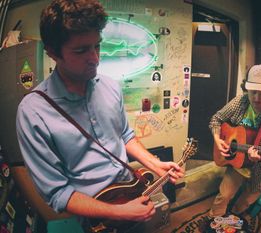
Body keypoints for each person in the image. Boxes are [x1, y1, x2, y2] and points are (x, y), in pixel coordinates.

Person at [15, 0, 184, 230]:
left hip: (133, 195)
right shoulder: (33, 112)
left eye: (97, 46)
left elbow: (125, 135)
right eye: (81, 50)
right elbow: (58, 193)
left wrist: (155, 164)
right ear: (53, 53)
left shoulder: (112, 86)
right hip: (96, 218)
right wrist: (119, 212)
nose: (95, 58)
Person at [208, 64, 261, 218]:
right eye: (253, 92)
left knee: (248, 199)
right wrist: (218, 139)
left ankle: (233, 215)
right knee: (224, 195)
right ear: (246, 89)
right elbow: (216, 120)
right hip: (236, 162)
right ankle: (213, 218)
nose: (257, 98)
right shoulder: (240, 101)